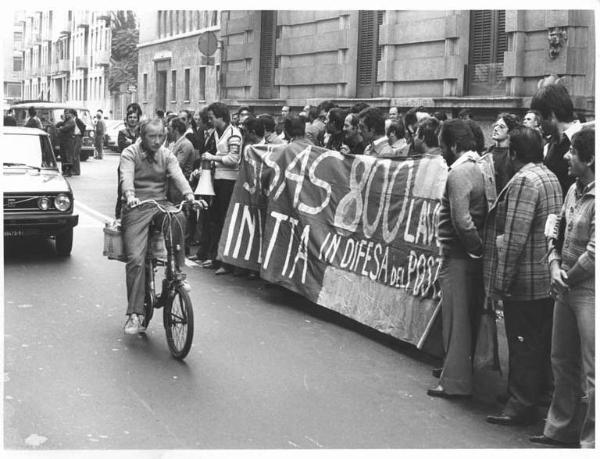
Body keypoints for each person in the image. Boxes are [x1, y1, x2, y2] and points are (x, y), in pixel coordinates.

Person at [484, 127, 563, 426]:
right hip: (545, 275)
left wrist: (500, 283)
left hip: (526, 279)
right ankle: (531, 395)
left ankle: (520, 403)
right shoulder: (549, 176)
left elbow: (514, 238)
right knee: (538, 342)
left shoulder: (524, 181)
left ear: (514, 153)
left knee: (522, 344)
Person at [530, 127, 595, 449]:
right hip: (566, 284)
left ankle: (591, 442)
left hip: (588, 291)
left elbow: (595, 254)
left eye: (572, 152)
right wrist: (554, 264)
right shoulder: (573, 190)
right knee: (561, 360)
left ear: (591, 159)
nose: (566, 156)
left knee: (592, 369)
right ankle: (559, 429)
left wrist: (564, 275)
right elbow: (556, 229)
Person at [119, 118, 199, 335]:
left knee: (179, 216)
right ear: (142, 136)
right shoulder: (130, 153)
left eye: (160, 136)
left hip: (160, 204)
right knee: (135, 260)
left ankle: (177, 270)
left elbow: (178, 175)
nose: (156, 141)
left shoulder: (167, 154)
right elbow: (126, 177)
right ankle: (134, 314)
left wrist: (189, 195)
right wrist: (130, 195)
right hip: (137, 207)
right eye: (151, 137)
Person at [428, 119, 486, 399]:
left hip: (458, 256)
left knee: (457, 319)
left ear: (454, 145)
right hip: (464, 255)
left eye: (443, 146)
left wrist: (475, 248)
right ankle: (454, 375)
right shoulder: (477, 168)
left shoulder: (459, 173)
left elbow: (462, 221)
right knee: (458, 317)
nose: (441, 152)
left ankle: (454, 382)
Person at [200, 102, 242, 275]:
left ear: (221, 117)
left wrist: (213, 157)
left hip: (229, 181)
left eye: (211, 118)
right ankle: (216, 257)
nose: (209, 121)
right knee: (215, 219)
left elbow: (234, 159)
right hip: (218, 180)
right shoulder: (217, 133)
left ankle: (225, 261)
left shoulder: (234, 134)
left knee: (224, 220)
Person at [531, 83, 584, 196]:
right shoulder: (549, 145)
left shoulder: (587, 141)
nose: (537, 122)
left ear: (551, 115)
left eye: (538, 115)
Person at [115, 104, 143, 218]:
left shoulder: (141, 132)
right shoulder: (122, 132)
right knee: (122, 190)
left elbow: (142, 146)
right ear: (127, 119)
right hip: (124, 165)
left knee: (137, 190)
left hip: (139, 165)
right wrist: (135, 142)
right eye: (130, 117)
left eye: (135, 117)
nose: (132, 119)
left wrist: (130, 142)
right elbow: (122, 147)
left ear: (138, 119)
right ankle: (118, 216)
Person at [486, 113, 520, 194]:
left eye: (501, 127)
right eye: (495, 125)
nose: (496, 129)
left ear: (510, 132)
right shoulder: (489, 151)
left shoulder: (511, 154)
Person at [56, 109, 76, 177]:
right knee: (63, 156)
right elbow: (60, 125)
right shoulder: (66, 121)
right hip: (63, 141)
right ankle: (64, 170)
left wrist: (60, 128)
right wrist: (59, 124)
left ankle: (68, 171)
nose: (66, 115)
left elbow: (65, 128)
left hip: (68, 141)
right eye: (65, 113)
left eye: (68, 113)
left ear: (70, 114)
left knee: (68, 157)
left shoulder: (71, 121)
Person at [71, 110, 86, 176]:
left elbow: (84, 126)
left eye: (71, 114)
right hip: (74, 137)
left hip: (78, 137)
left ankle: (77, 171)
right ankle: (74, 170)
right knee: (74, 154)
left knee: (76, 154)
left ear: (73, 114)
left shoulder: (77, 120)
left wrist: (81, 134)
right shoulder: (72, 120)